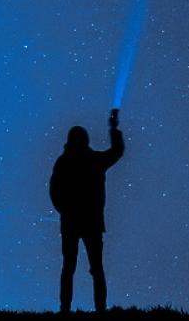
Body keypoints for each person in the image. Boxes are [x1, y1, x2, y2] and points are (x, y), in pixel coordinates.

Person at [49, 108, 125, 313]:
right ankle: (100, 309)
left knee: (69, 267)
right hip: (91, 221)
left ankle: (65, 309)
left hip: (71, 222)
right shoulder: (94, 161)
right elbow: (117, 151)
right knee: (96, 268)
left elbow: (54, 190)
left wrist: (64, 211)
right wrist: (114, 129)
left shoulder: (64, 162)